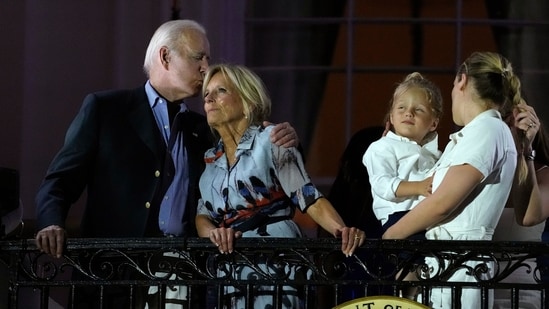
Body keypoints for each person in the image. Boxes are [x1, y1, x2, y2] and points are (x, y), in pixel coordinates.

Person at [34, 19, 298, 308]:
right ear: (165, 57)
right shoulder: (106, 110)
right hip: (112, 278)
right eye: (199, 57)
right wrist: (50, 224)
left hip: (184, 277)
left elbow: (263, 161)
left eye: (207, 59)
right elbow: (59, 181)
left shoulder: (204, 129)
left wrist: (286, 139)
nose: (206, 68)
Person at [195, 63, 366, 308]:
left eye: (220, 90)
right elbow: (202, 215)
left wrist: (341, 230)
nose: (209, 98)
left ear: (248, 102)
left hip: (276, 259)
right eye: (206, 94)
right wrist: (213, 234)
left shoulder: (272, 140)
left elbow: (307, 194)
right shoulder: (211, 159)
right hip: (231, 268)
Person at [382, 51, 522, 308]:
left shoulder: (488, 129)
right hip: (444, 265)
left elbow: (443, 202)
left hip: (460, 268)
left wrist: (391, 235)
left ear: (462, 80)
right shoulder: (474, 133)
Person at [363, 72, 443, 300]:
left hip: (426, 217)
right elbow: (382, 184)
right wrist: (419, 187)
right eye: (402, 108)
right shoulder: (381, 148)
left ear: (434, 122)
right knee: (408, 270)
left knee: (428, 271)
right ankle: (405, 303)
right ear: (391, 114)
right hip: (399, 217)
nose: (409, 113)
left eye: (419, 110)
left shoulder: (434, 155)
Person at [505, 101, 549, 283]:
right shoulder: (476, 172)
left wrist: (525, 149)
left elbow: (529, 217)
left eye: (510, 123)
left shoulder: (543, 174)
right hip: (471, 281)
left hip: (519, 287)